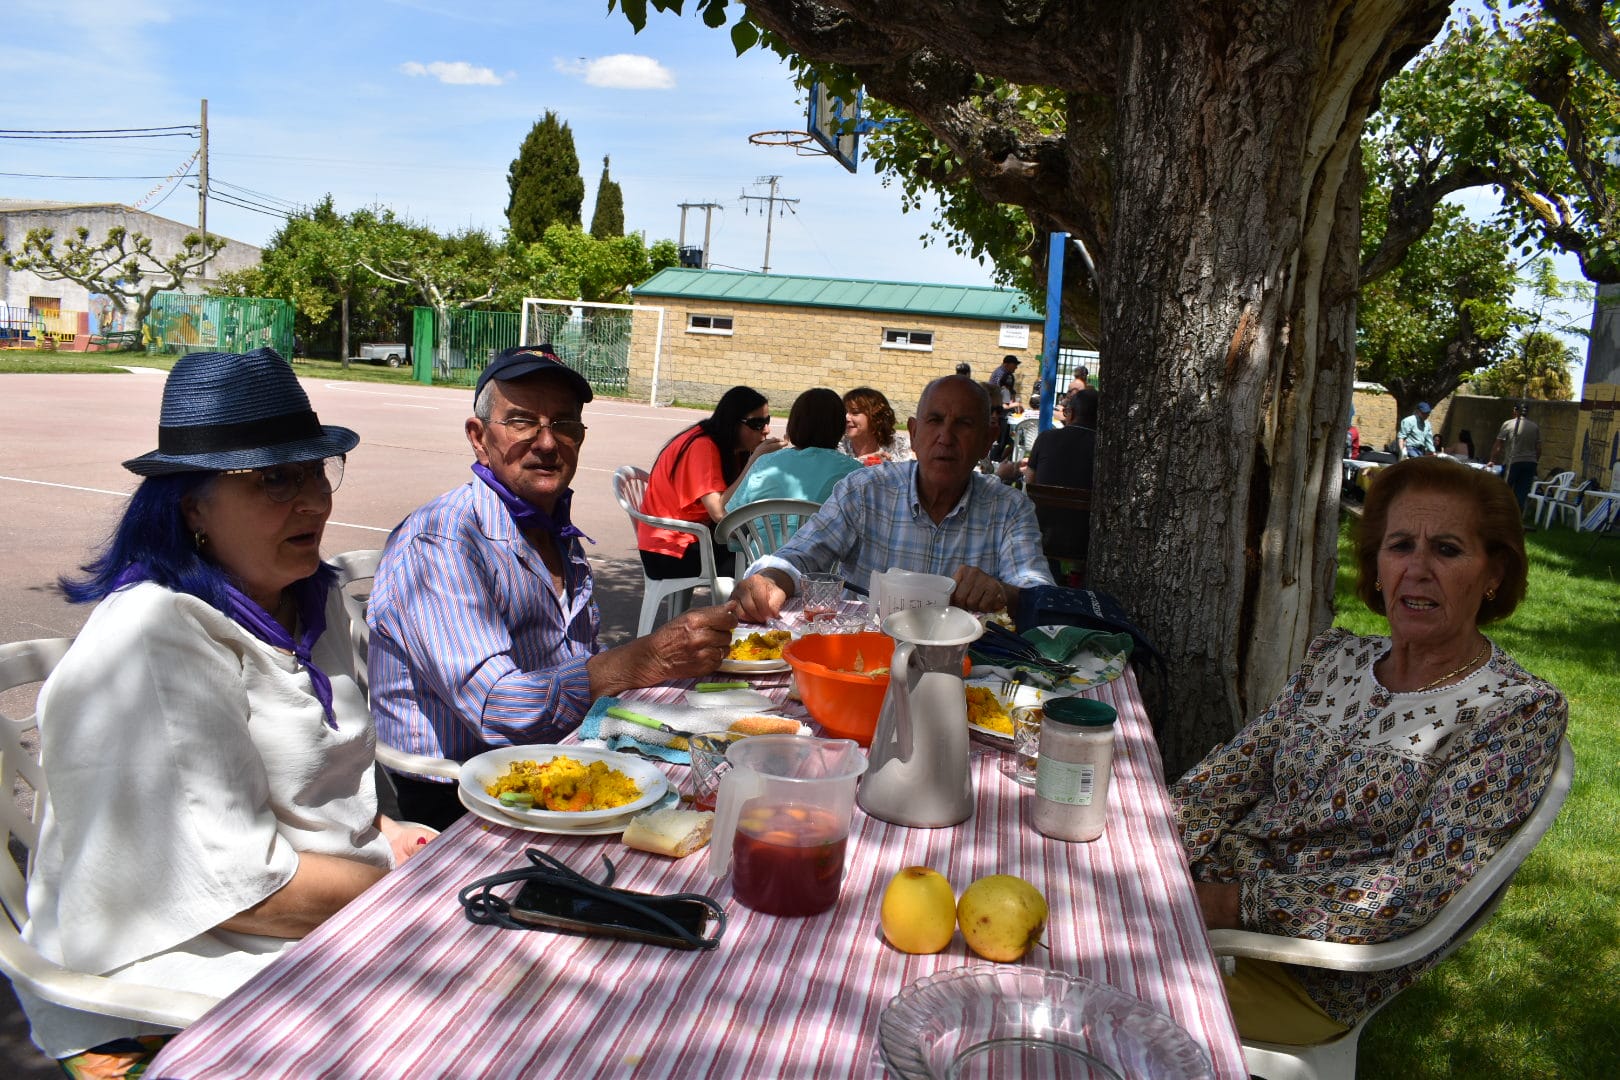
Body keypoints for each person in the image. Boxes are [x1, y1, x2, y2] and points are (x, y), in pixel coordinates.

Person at [17, 349, 436, 1073]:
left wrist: (387, 832)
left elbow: (318, 786)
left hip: (304, 916)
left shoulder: (313, 596)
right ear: (190, 505)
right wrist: (415, 891)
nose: (314, 502)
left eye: (315, 471)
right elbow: (243, 895)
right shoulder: (157, 642)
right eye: (274, 479)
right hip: (162, 973)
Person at [1172, 456, 1566, 1047]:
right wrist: (1153, 845)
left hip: (1303, 968)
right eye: (1400, 545)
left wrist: (1222, 904)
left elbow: (1413, 890)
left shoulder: (1512, 710)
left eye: (1449, 550)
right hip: (1197, 897)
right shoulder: (1337, 657)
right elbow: (1235, 770)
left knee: (1082, 976)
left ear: (1494, 574)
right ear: (1377, 566)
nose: (1418, 569)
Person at [367, 347, 737, 828]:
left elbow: (576, 655)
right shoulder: (444, 542)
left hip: (555, 762)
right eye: (521, 421)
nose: (547, 442)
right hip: (462, 794)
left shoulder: (548, 525)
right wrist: (642, 660)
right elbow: (501, 709)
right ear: (479, 438)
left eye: (564, 424)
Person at [732, 375, 1054, 620]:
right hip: (865, 660)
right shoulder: (865, 490)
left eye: (964, 425)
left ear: (987, 441)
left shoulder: (1010, 508)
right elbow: (799, 555)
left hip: (965, 672)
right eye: (935, 421)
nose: (946, 437)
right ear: (913, 433)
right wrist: (769, 581)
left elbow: (1040, 595)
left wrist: (1002, 593)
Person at [637, 385, 781, 580]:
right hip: (668, 551)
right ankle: (732, 609)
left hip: (690, 538)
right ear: (733, 422)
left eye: (767, 421)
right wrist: (755, 460)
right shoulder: (703, 446)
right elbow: (720, 513)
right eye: (757, 423)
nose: (766, 430)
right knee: (754, 560)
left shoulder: (729, 446)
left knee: (757, 549)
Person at [725, 387, 864, 509]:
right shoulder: (855, 474)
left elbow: (731, 515)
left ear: (794, 423)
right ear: (839, 426)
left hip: (762, 540)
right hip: (823, 540)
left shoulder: (764, 463)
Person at [1024, 389, 1097, 489]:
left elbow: (1029, 481)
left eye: (1066, 412)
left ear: (1071, 413)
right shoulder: (1103, 447)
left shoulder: (1045, 438)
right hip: (1084, 504)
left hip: (1044, 502)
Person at [839, 386, 913, 465]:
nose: (846, 418)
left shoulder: (898, 445)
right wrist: (865, 461)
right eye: (845, 412)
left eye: (855, 412)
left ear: (875, 417)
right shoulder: (838, 444)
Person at [1490, 402, 1542, 514]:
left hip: (1513, 462)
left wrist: (1492, 460)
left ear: (1515, 410)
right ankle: (1516, 518)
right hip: (1530, 463)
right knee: (1521, 494)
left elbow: (1498, 444)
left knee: (1504, 490)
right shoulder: (1534, 427)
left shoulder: (1508, 424)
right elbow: (1538, 448)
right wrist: (1535, 462)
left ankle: (1500, 515)